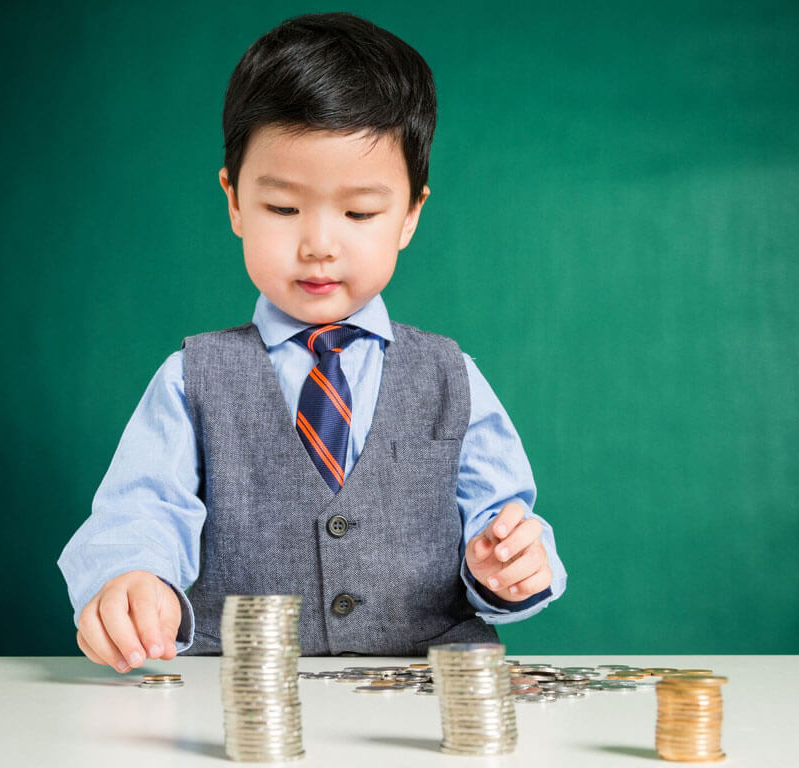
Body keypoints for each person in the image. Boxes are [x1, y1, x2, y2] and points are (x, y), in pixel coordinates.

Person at [59, 12, 566, 672]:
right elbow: (144, 508)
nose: (319, 244)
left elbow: (501, 516)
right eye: (282, 208)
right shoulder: (191, 379)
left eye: (359, 213)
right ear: (234, 202)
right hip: (241, 696)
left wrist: (509, 563)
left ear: (411, 213)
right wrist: (130, 577)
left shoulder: (451, 376)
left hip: (424, 697)